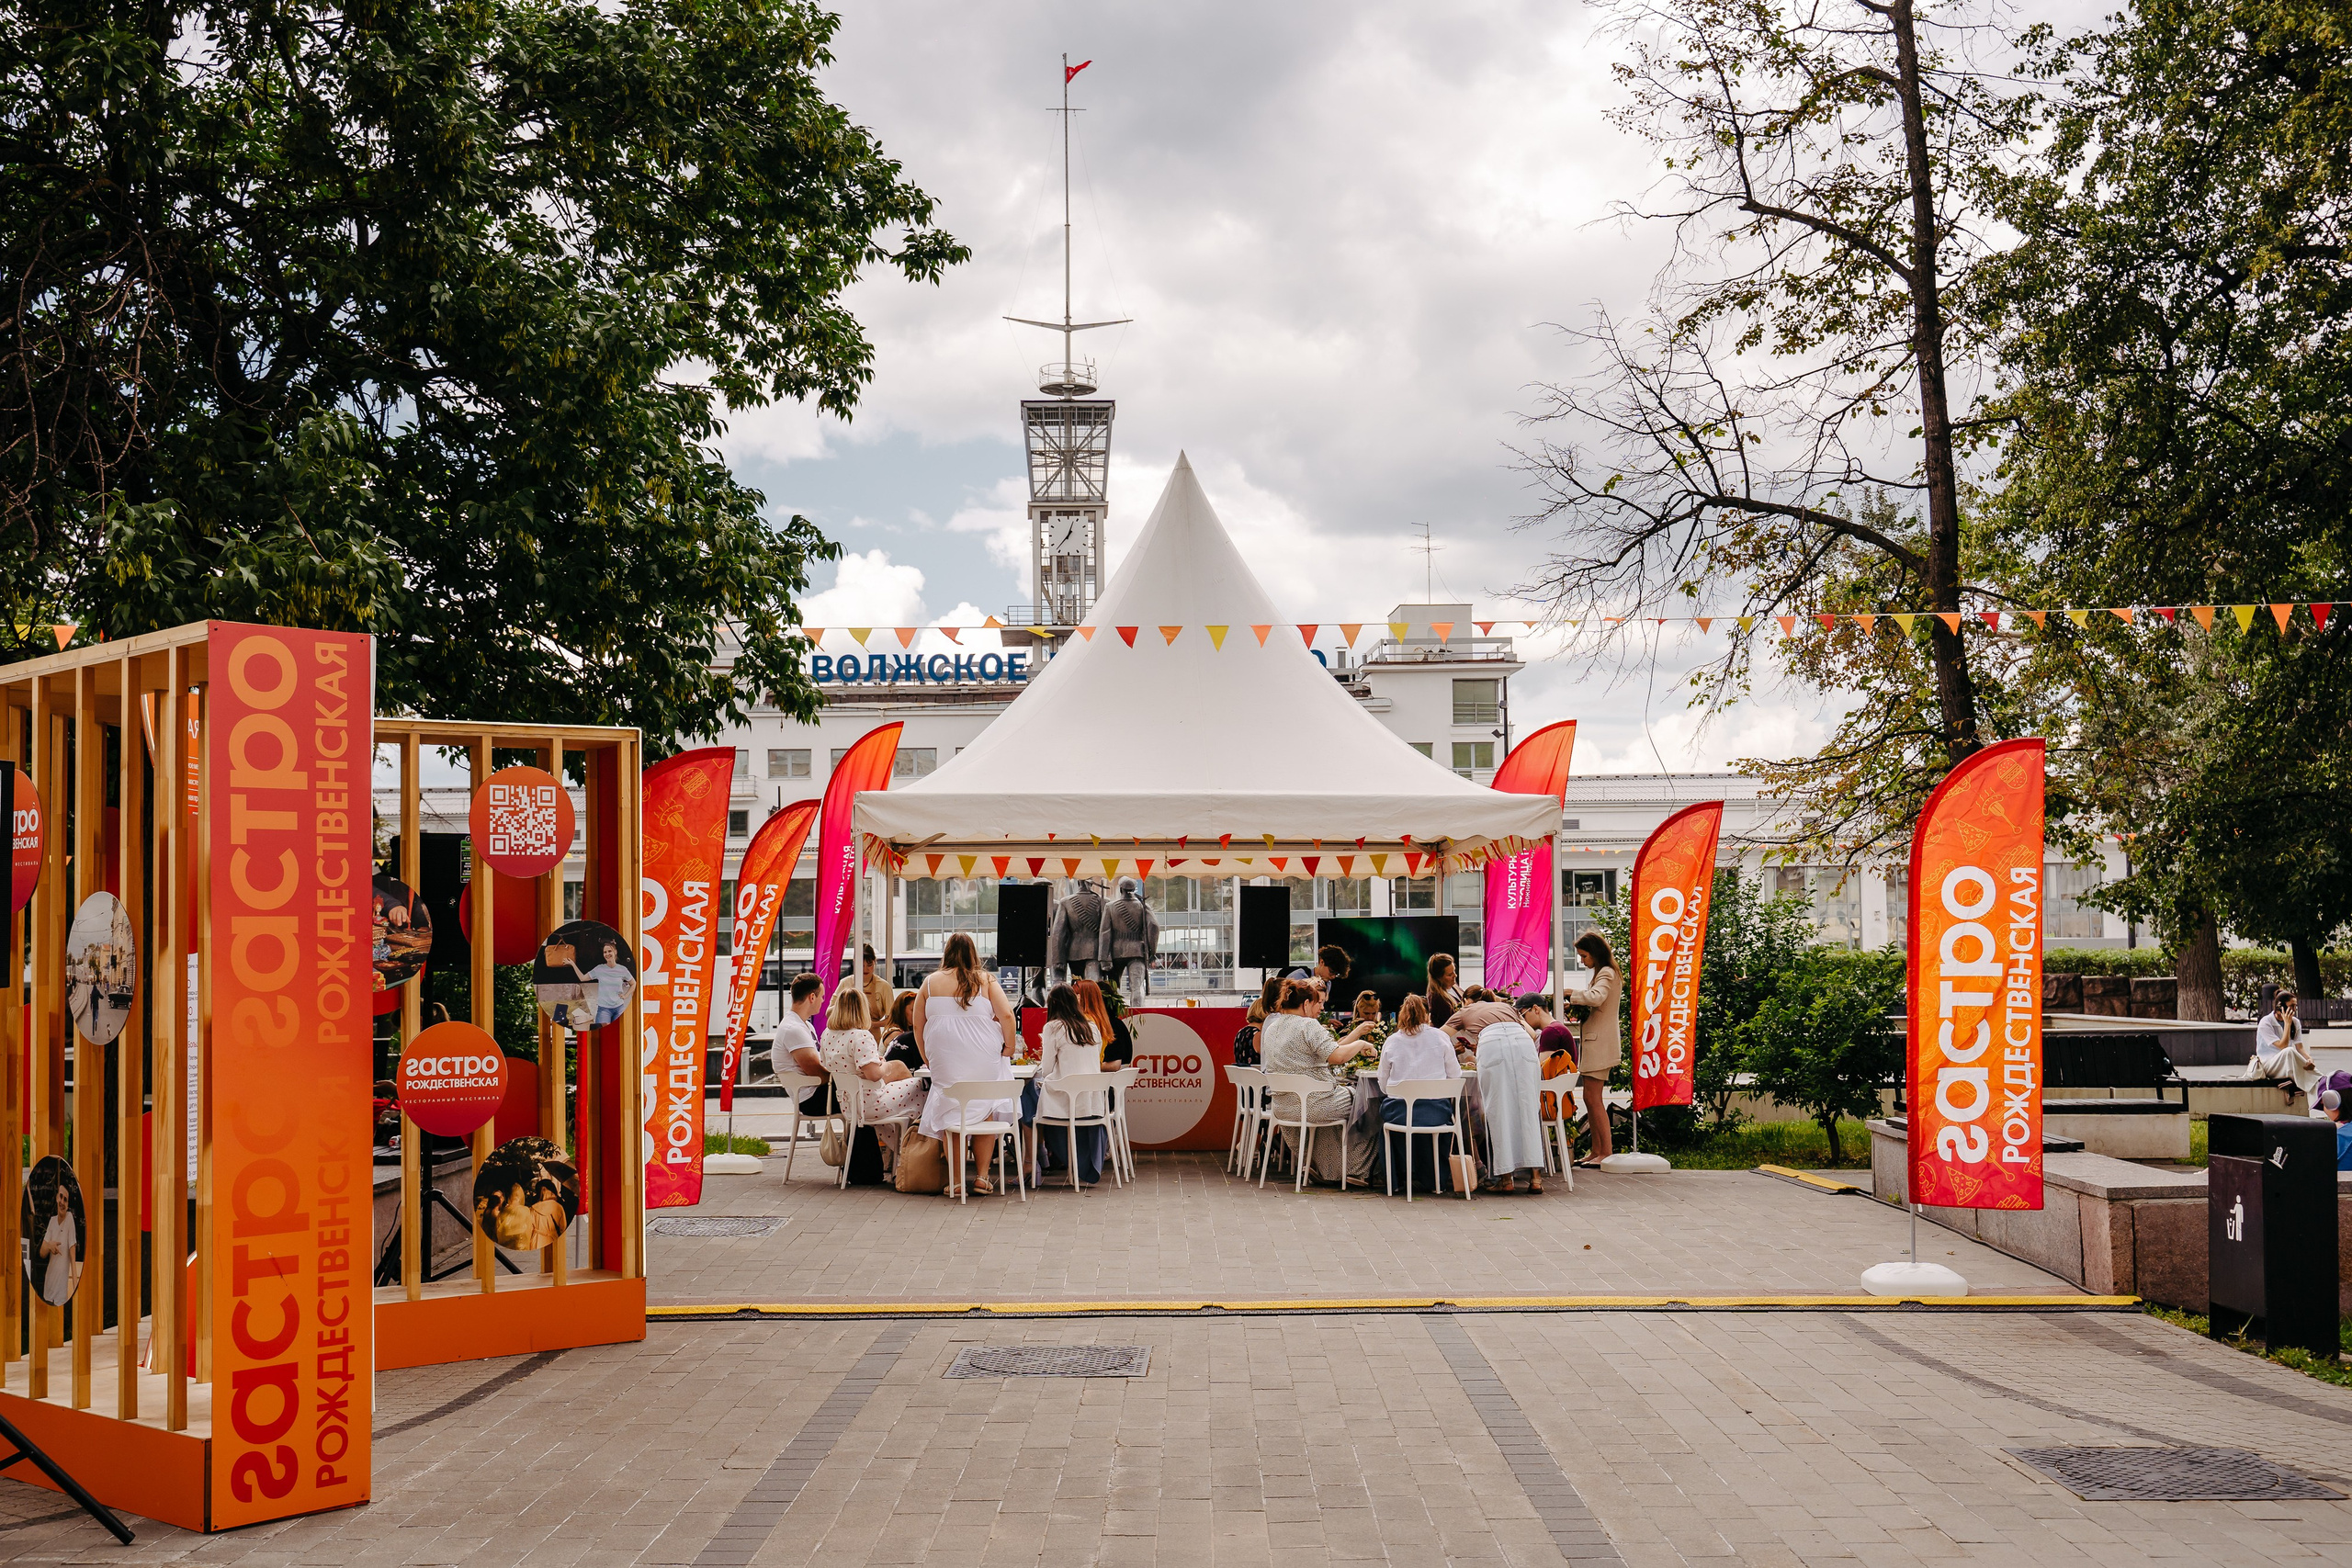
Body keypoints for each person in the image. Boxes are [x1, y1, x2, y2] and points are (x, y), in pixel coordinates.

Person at [912, 932, 1022, 1195]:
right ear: (973, 953)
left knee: (952, 1112)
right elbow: (1006, 1014)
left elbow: (918, 1024)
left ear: (946, 953)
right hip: (984, 1056)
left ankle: (958, 1180)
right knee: (984, 1109)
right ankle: (983, 1177)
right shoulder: (986, 980)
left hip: (944, 1058)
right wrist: (1009, 1046)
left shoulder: (929, 983)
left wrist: (926, 1055)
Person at [1259, 978, 1378, 1186]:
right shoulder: (1308, 1025)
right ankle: (1359, 1168)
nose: (1320, 1008)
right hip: (1316, 1105)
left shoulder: (1272, 1027)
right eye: (1317, 1003)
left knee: (1333, 1117)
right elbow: (1337, 1056)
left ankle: (1331, 1170)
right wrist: (1360, 1042)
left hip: (1285, 1107)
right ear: (1305, 1004)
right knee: (1368, 1101)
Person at [1443, 993, 1544, 1193]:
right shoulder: (1508, 1008)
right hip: (1522, 1042)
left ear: (1467, 1002)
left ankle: (1506, 1180)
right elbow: (1533, 1034)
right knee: (1529, 1107)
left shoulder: (1463, 1012)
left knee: (1498, 1109)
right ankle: (1536, 1179)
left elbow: (1439, 1036)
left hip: (1491, 1043)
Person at [819, 987, 924, 1160]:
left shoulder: (827, 1035)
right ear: (862, 1010)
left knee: (899, 1095)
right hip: (870, 1104)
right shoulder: (861, 1036)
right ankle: (911, 1150)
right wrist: (884, 1065)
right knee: (921, 1086)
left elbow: (825, 1064)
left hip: (849, 1106)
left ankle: (898, 1151)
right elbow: (875, 1075)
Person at [1377, 993, 1463, 1191]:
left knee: (1387, 1125)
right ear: (1427, 1014)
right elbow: (1455, 1075)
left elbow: (1384, 1084)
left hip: (1400, 1111)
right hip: (1435, 1111)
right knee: (1437, 1121)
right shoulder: (1441, 1037)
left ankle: (1395, 1181)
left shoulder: (1392, 1041)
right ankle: (1435, 1181)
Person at [1034, 984, 1108, 1185]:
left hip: (1067, 1101)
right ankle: (1042, 1157)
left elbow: (1047, 1069)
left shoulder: (1053, 1027)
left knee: (1029, 1095)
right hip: (1092, 1102)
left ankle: (1035, 1158)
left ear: (1052, 1005)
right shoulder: (1092, 1026)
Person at [1566, 931, 1622, 1166]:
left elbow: (1597, 998)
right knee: (1590, 1098)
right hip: (1597, 1042)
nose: (1582, 961)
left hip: (1600, 1043)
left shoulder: (1607, 973)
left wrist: (1572, 995)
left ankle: (1605, 1152)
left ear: (1595, 952)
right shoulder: (1604, 972)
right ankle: (1597, 1151)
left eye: (1584, 955)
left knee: (1593, 1098)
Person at [2248, 990, 2318, 1105]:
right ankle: (2294, 1083)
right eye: (2292, 1006)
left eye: (2295, 1006)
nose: (2294, 1009)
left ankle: (2312, 1081)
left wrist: (2309, 1059)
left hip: (2286, 1064)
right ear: (2280, 1006)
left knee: (2295, 1056)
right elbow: (2283, 1046)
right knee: (2289, 1051)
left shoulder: (2295, 1022)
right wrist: (2287, 1024)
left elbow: (2300, 1048)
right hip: (2268, 1064)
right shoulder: (2266, 1023)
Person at [1074, 978, 1133, 1066]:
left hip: (1107, 1078)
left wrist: (1087, 1066)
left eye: (1079, 996)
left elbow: (1115, 1064)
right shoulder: (1103, 1023)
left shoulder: (1110, 1026)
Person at [38, 1185, 78, 1304]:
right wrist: (49, 1245)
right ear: (56, 1198)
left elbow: (73, 1257)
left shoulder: (70, 1219)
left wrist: (76, 1290)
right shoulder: (52, 1221)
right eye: (61, 1197)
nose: (62, 1202)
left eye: (65, 1199)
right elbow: (42, 1253)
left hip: (61, 1292)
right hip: (49, 1286)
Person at [1233, 976, 1282, 1067]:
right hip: (1258, 1078)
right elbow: (1269, 1059)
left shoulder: (1240, 1032)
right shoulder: (1258, 1035)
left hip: (1243, 1079)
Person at [858, 944, 894, 1035]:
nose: (865, 969)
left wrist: (873, 1024)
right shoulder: (845, 983)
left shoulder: (884, 986)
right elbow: (829, 1012)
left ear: (875, 962)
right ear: (855, 962)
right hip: (848, 1036)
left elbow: (892, 1018)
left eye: (869, 965)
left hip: (873, 1036)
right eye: (861, 965)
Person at [1424, 954, 1464, 1030]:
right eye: (1450, 975)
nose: (1455, 975)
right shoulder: (1437, 998)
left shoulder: (1454, 986)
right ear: (1439, 978)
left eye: (1454, 971)